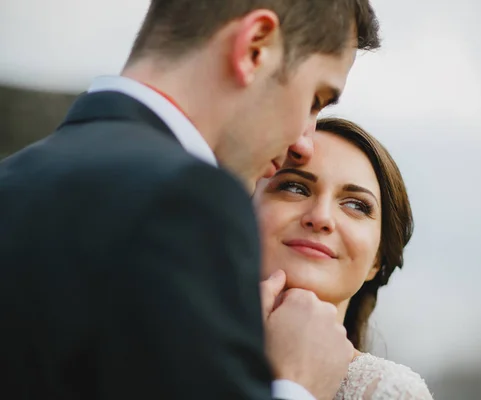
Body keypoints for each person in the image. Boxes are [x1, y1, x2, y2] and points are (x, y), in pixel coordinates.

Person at [0, 1, 381, 399]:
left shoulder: (13, 179)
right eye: (314, 99)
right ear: (255, 47)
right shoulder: (186, 199)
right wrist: (296, 384)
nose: (303, 144)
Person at [254, 117, 434, 399]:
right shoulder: (170, 343)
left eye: (356, 205)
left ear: (377, 259)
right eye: (295, 187)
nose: (321, 217)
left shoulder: (389, 392)